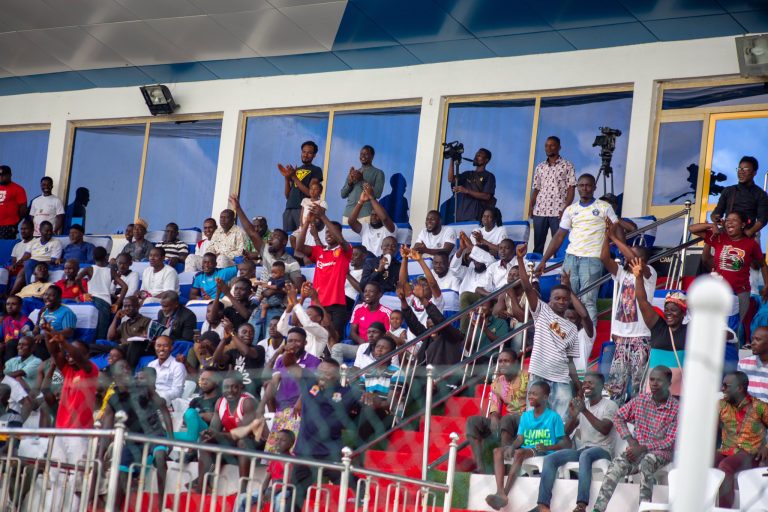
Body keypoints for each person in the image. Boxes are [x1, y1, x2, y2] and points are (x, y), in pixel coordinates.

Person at [591, 366, 678, 512]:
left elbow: (670, 441)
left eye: (659, 380)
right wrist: (631, 441)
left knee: (647, 462)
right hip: (636, 450)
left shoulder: (676, 408)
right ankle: (598, 509)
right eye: (652, 379)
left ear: (669, 383)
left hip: (660, 453)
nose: (654, 384)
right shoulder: (641, 400)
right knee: (616, 464)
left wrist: (643, 447)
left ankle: (644, 508)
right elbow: (618, 417)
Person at [537, 174, 618, 326]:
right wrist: (544, 260)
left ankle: (588, 339)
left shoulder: (604, 207)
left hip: (592, 258)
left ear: (594, 187)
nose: (584, 188)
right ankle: (565, 338)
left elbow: (616, 229)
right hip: (571, 258)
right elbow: (559, 236)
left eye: (588, 185)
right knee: (566, 299)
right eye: (581, 185)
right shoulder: (571, 209)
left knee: (588, 301)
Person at [533, 372, 618, 512]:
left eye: (590, 382)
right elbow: (564, 433)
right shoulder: (582, 405)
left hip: (603, 450)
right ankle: (543, 505)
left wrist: (584, 411)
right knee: (550, 458)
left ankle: (581, 505)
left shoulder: (610, 405)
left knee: (586, 455)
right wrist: (573, 417)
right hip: (583, 450)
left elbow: (604, 429)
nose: (585, 385)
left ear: (601, 386)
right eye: (584, 383)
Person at [517, 243, 580, 421]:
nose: (561, 301)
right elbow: (527, 287)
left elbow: (570, 360)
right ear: (549, 300)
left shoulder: (572, 328)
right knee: (534, 419)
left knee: (560, 421)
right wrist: (520, 259)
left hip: (561, 378)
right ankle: (533, 449)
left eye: (565, 299)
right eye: (557, 298)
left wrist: (578, 384)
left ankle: (555, 450)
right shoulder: (542, 311)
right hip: (539, 374)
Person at [485, 381, 569, 510]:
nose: (530, 396)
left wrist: (548, 447)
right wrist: (512, 446)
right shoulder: (525, 416)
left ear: (545, 397)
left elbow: (563, 442)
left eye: (535, 394)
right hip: (525, 448)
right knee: (498, 451)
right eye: (530, 393)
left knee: (519, 453)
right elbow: (520, 438)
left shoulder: (554, 417)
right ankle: (500, 492)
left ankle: (504, 494)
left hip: (542, 450)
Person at [290, 358, 361, 510]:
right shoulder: (310, 385)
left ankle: (363, 500)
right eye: (320, 371)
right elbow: (291, 365)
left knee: (348, 481)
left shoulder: (346, 392)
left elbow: (359, 406)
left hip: (330, 450)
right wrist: (289, 354)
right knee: (296, 493)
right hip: (305, 449)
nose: (321, 375)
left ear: (336, 375)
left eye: (327, 373)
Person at [100, 361, 173, 505]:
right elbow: (106, 431)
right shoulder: (113, 400)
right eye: (122, 369)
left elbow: (163, 408)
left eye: (128, 367)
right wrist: (101, 455)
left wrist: (171, 437)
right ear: (115, 376)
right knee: (121, 471)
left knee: (159, 456)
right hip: (133, 440)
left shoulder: (144, 388)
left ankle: (161, 504)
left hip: (155, 435)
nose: (127, 370)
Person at [601, 221, 657, 403]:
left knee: (637, 387)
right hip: (621, 338)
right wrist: (605, 237)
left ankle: (636, 424)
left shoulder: (649, 274)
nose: (627, 258)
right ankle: (613, 421)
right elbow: (604, 259)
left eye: (633, 255)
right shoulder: (622, 274)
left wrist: (614, 238)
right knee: (615, 386)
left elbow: (632, 260)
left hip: (640, 337)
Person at [44, 332, 99, 511]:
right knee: (56, 477)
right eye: (68, 352)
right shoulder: (67, 369)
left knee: (77, 480)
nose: (69, 355)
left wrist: (65, 343)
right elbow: (54, 352)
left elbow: (75, 356)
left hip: (79, 434)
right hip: (60, 431)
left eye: (74, 352)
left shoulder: (90, 370)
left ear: (86, 355)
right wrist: (48, 334)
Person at [690, 211, 768, 320]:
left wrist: (766, 284)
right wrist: (712, 225)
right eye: (727, 220)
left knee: (739, 325)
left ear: (743, 225)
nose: (729, 223)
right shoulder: (720, 237)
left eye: (734, 220)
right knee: (716, 321)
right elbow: (692, 228)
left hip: (741, 292)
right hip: (719, 291)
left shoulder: (751, 244)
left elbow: (763, 265)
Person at [630, 258, 688, 397]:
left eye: (674, 309)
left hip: (678, 396)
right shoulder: (658, 327)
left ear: (683, 313)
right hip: (653, 394)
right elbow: (642, 302)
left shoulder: (690, 330)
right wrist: (638, 278)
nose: (668, 313)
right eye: (666, 309)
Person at [296, 204, 354, 339]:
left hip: (336, 305)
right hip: (317, 303)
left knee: (333, 339)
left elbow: (341, 240)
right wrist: (307, 223)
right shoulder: (319, 251)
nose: (329, 234)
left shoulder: (345, 251)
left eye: (332, 232)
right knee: (313, 338)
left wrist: (322, 216)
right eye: (327, 232)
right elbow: (299, 247)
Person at [259, 327, 321, 453]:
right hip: (282, 407)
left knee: (292, 450)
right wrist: (262, 404)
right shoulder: (281, 359)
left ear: (305, 343)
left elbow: (315, 385)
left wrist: (300, 402)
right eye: (290, 340)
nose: (293, 344)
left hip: (300, 410)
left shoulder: (314, 361)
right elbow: (274, 382)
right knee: (274, 450)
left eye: (297, 341)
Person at [466, 349, 527, 473]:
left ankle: (504, 468)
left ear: (515, 363)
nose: (502, 364)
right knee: (472, 421)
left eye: (506, 361)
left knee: (506, 419)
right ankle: (480, 467)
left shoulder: (527, 377)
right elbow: (495, 405)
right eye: (500, 361)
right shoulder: (498, 382)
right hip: (508, 421)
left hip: (526, 420)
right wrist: (494, 416)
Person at [196, 373, 259, 492]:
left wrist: (218, 435)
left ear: (241, 387)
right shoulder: (220, 402)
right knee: (205, 440)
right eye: (226, 387)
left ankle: (243, 490)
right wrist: (208, 433)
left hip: (255, 443)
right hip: (232, 441)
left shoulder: (248, 403)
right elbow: (215, 429)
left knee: (243, 442)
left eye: (234, 387)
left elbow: (242, 433)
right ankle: (201, 486)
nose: (229, 391)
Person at [715, 370, 768, 508]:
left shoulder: (759, 407)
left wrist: (766, 447)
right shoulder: (721, 405)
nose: (722, 389)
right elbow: (710, 429)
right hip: (727, 450)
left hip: (750, 453)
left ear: (739, 388)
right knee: (701, 462)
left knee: (725, 466)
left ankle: (724, 509)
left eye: (726, 386)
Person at [230, 195, 302, 284]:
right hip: (259, 297)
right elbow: (251, 233)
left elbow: (298, 286)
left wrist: (281, 279)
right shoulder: (266, 252)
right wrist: (238, 208)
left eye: (275, 236)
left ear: (284, 242)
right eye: (270, 237)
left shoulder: (292, 263)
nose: (270, 239)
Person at [530, 136, 576, 254]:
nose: (548, 148)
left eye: (552, 145)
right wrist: (531, 206)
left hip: (558, 211)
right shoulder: (540, 167)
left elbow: (571, 189)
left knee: (558, 246)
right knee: (538, 246)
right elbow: (536, 189)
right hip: (540, 211)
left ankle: (558, 271)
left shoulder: (567, 165)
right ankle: (535, 270)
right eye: (546, 145)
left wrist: (565, 208)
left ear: (559, 147)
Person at [77, 246, 127, 339]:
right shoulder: (111, 271)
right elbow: (124, 286)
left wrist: (84, 292)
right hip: (105, 303)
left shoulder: (89, 269)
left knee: (90, 329)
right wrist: (117, 303)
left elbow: (77, 279)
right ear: (106, 257)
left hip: (91, 301)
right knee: (101, 332)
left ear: (93, 257)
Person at [334, 282, 391, 364]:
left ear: (379, 295)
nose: (367, 294)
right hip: (360, 347)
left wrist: (375, 346)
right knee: (337, 348)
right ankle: (338, 376)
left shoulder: (387, 312)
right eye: (365, 291)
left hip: (378, 350)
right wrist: (361, 341)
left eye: (371, 291)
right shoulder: (358, 308)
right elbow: (352, 332)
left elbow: (388, 336)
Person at [711, 156, 768, 238]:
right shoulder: (728, 190)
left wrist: (749, 232)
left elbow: (763, 219)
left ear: (754, 173)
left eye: (745, 169)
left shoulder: (760, 194)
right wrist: (717, 219)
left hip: (748, 237)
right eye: (739, 169)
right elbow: (716, 213)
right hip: (727, 234)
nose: (741, 172)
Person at [279, 140, 323, 232]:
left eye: (309, 153)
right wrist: (287, 178)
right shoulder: (296, 170)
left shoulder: (316, 170)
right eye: (304, 152)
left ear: (314, 155)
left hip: (302, 209)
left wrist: (294, 177)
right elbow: (287, 196)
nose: (305, 155)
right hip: (288, 209)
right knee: (287, 239)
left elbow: (311, 193)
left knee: (301, 238)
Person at [276, 282, 329, 358]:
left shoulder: (322, 333)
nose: (305, 316)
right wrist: (290, 306)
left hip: (311, 368)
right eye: (305, 314)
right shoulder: (300, 331)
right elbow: (281, 329)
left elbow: (307, 324)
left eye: (309, 315)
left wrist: (295, 300)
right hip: (294, 365)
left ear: (318, 318)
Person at [214, 320, 265, 397]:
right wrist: (224, 339)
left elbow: (246, 352)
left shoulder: (259, 349)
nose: (248, 334)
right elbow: (216, 360)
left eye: (251, 333)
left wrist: (231, 332)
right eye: (244, 332)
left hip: (252, 396)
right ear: (238, 334)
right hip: (236, 394)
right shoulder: (233, 352)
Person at [447, 148, 496, 222]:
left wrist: (466, 191)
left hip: (475, 217)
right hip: (460, 217)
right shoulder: (467, 174)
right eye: (476, 154)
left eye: (479, 155)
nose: (476, 156)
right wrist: (452, 159)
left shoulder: (489, 176)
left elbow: (487, 196)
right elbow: (451, 179)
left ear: (486, 160)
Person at [348, 182, 396, 257]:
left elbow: (385, 218)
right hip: (365, 263)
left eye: (377, 215)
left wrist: (371, 197)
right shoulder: (365, 228)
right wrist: (361, 201)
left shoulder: (390, 228)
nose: (373, 217)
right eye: (372, 215)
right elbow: (351, 222)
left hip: (381, 262)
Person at [340, 145, 385, 223]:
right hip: (348, 215)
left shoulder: (378, 173)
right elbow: (343, 194)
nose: (363, 156)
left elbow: (377, 194)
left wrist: (362, 180)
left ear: (372, 156)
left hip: (365, 215)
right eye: (361, 154)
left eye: (366, 154)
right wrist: (350, 182)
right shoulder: (353, 173)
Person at [175, 369, 222, 443]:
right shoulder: (196, 400)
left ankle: (192, 439)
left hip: (209, 433)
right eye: (202, 379)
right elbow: (185, 420)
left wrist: (196, 416)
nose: (204, 382)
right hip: (192, 432)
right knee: (164, 435)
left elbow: (218, 418)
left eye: (208, 379)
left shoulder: (220, 400)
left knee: (191, 412)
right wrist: (201, 416)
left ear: (217, 381)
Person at [31, 285, 77, 358]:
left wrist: (46, 336)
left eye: (51, 295)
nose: (47, 297)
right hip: (41, 341)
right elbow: (36, 331)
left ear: (59, 299)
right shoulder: (44, 311)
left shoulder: (66, 312)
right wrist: (38, 319)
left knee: (38, 343)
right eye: (46, 294)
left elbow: (69, 332)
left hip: (57, 343)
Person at [107, 296, 151, 361]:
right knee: (96, 345)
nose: (127, 309)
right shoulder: (124, 324)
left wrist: (144, 337)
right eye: (125, 306)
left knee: (123, 347)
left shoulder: (146, 321)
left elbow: (148, 339)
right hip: (120, 347)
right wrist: (116, 318)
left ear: (138, 306)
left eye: (130, 306)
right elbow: (110, 337)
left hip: (132, 348)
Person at [19, 220, 63, 285]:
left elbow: (53, 260)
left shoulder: (56, 242)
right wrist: (17, 263)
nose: (49, 233)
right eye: (47, 231)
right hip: (32, 263)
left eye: (51, 230)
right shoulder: (34, 241)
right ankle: (11, 293)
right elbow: (26, 255)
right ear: (40, 231)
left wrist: (34, 263)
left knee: (28, 264)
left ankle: (29, 287)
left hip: (46, 264)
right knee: (22, 271)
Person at [148, 335, 187, 405]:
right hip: (150, 399)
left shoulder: (178, 366)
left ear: (171, 348)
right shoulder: (151, 365)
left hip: (167, 402)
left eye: (165, 346)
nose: (161, 349)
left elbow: (177, 391)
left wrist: (159, 396)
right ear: (154, 347)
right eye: (158, 346)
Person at [738, 325, 768, 402]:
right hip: (748, 411)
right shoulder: (744, 364)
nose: (752, 343)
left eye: (758, 339)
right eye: (752, 339)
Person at [0, 165, 28, 239]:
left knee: (4, 248)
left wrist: (15, 223)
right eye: (0, 175)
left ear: (10, 175)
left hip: (8, 226)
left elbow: (23, 209)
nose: (1, 177)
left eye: (3, 175)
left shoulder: (18, 189)